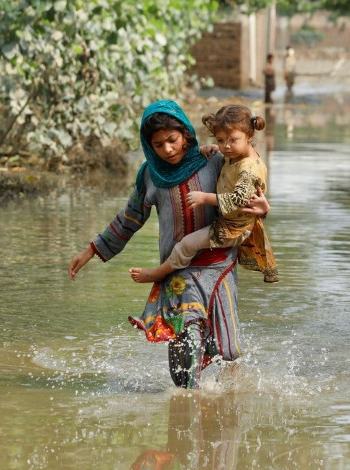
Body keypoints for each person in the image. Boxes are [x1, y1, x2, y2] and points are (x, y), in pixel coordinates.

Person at [67, 100, 270, 389]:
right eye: (158, 144)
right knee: (185, 352)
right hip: (177, 271)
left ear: (187, 134)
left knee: (229, 351)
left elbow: (247, 193)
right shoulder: (150, 175)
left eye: (173, 140)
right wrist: (91, 250)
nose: (168, 150)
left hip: (219, 266)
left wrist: (263, 208)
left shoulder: (215, 161)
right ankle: (187, 410)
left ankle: (228, 412)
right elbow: (129, 218)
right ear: (149, 146)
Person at [130, 104, 278, 284]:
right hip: (231, 223)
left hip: (232, 228)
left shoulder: (249, 168)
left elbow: (238, 199)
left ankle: (160, 272)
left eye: (232, 140)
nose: (226, 146)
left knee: (186, 244)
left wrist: (205, 198)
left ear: (249, 136)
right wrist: (213, 147)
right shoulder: (232, 157)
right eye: (221, 140)